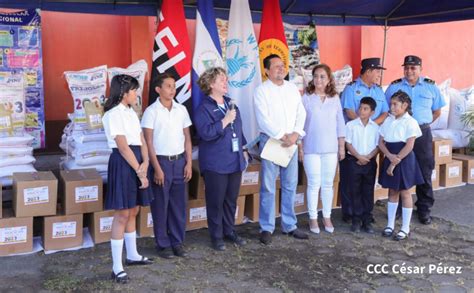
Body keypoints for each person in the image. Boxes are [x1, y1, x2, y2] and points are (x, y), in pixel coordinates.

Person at [102, 74, 154, 284]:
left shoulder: (132, 112)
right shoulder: (113, 114)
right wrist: (139, 170)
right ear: (124, 92)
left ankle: (132, 255)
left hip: (139, 161)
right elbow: (122, 146)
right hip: (125, 163)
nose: (136, 94)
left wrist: (147, 162)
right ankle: (116, 267)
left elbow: (141, 139)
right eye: (133, 90)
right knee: (122, 213)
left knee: (134, 209)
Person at [385, 55, 446, 225]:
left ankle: (424, 209)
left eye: (413, 68)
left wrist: (419, 128)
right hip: (399, 135)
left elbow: (437, 112)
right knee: (398, 169)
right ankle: (397, 208)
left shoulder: (430, 87)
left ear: (420, 69)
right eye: (406, 67)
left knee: (424, 170)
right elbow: (387, 109)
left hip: (421, 133)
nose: (409, 71)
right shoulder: (395, 86)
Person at [254, 54, 308, 245]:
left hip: (291, 142)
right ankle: (266, 227)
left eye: (282, 65)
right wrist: (281, 135)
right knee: (268, 186)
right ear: (267, 70)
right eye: (276, 66)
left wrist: (295, 134)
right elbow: (263, 119)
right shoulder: (261, 90)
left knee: (290, 183)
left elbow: (301, 112)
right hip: (271, 141)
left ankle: (289, 225)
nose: (281, 68)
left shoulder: (292, 88)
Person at [194, 67, 249, 251]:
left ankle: (229, 231)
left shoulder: (231, 104)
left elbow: (239, 130)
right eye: (221, 80)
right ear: (211, 85)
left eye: (226, 80)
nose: (226, 83)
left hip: (234, 161)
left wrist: (243, 148)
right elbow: (206, 133)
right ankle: (216, 236)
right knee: (215, 201)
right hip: (215, 164)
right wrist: (224, 121)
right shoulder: (203, 109)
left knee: (230, 200)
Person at [141, 73, 192, 259]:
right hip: (160, 162)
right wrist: (157, 168)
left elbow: (187, 137)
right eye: (168, 86)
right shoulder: (151, 112)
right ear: (158, 90)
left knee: (179, 205)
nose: (173, 89)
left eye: (174, 86)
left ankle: (177, 241)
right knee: (161, 205)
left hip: (179, 162)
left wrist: (188, 163)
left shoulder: (181, 110)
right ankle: (163, 244)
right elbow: (148, 142)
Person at [339, 57, 389, 224]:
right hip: (354, 141)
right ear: (368, 71)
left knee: (367, 183)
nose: (378, 75)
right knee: (349, 181)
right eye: (377, 71)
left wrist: (371, 125)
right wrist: (363, 123)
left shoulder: (378, 90)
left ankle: (366, 213)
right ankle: (350, 212)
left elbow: (384, 113)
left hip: (371, 142)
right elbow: (348, 111)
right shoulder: (351, 88)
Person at [298, 64, 345, 234]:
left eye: (322, 76)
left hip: (331, 149)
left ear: (329, 79)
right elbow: (300, 124)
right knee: (313, 184)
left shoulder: (335, 99)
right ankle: (312, 218)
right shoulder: (306, 98)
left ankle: (326, 216)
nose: (318, 80)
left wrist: (341, 147)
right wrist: (300, 148)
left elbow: (340, 123)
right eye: (316, 76)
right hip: (311, 148)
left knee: (327, 184)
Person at [378, 90, 424, 241]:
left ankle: (405, 227)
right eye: (391, 103)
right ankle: (390, 224)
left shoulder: (410, 122)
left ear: (405, 105)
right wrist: (389, 156)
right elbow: (380, 142)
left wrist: (395, 160)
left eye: (395, 104)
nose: (392, 107)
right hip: (390, 155)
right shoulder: (388, 120)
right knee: (392, 191)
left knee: (405, 192)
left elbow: (410, 145)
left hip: (403, 158)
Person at [344, 97, 380, 234]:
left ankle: (367, 219)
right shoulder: (351, 125)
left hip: (369, 162)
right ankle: (356, 219)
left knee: (368, 190)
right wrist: (358, 157)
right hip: (354, 161)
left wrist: (368, 157)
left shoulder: (376, 128)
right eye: (360, 108)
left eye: (365, 109)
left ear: (372, 112)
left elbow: (378, 145)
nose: (361, 111)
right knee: (355, 190)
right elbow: (348, 143)